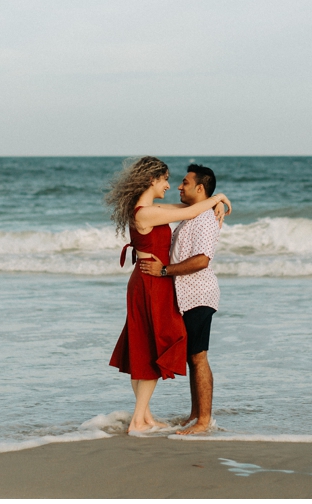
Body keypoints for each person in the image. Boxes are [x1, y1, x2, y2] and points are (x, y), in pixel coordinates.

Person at [105, 156, 231, 434]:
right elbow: (185, 213)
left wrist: (214, 201)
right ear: (152, 180)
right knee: (148, 347)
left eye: (181, 181)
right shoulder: (146, 212)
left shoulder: (149, 209)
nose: (171, 185)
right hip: (152, 281)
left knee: (152, 346)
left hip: (162, 283)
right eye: (165, 179)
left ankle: (149, 415)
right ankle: (140, 418)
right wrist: (218, 197)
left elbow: (184, 210)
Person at [139, 164, 222, 435]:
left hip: (198, 295)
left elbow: (201, 260)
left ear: (200, 188)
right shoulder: (191, 217)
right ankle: (196, 414)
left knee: (198, 357)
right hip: (186, 297)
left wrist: (164, 271)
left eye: (185, 183)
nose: (178, 186)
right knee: (192, 357)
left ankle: (203, 420)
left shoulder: (205, 219)